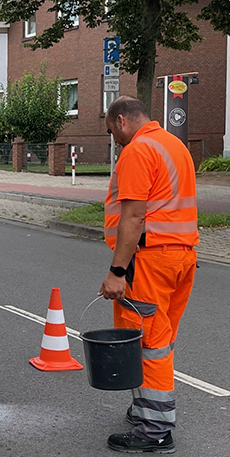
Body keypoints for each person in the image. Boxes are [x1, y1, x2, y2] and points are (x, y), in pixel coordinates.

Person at [99, 96, 198, 454]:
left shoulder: (138, 150)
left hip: (150, 260)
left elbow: (134, 216)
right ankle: (146, 406)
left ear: (122, 120)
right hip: (182, 256)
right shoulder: (174, 144)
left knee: (149, 343)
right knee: (163, 336)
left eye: (112, 132)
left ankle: (155, 428)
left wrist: (116, 271)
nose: (115, 140)